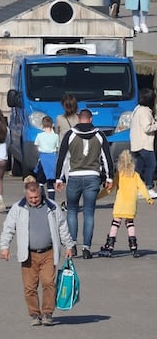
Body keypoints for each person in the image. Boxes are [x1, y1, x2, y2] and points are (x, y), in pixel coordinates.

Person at [0, 180, 74, 327]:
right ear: (26, 196)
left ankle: (47, 313)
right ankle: (34, 314)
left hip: (48, 252)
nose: (33, 200)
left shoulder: (52, 207)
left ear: (41, 194)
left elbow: (62, 227)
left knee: (48, 283)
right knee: (29, 287)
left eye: (36, 198)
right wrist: (4, 247)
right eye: (30, 198)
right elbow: (8, 228)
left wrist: (69, 245)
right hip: (28, 255)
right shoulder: (18, 208)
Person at [55, 109, 115, 259]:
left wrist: (59, 178)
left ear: (79, 119)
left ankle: (72, 245)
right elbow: (107, 158)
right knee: (89, 213)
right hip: (92, 177)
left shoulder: (70, 134)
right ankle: (87, 248)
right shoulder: (99, 135)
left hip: (74, 177)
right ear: (90, 119)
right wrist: (109, 178)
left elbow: (62, 157)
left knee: (72, 211)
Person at [98, 150, 154, 258]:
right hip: (131, 204)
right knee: (130, 223)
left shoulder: (119, 175)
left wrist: (98, 196)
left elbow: (109, 189)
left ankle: (110, 246)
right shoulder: (135, 175)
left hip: (120, 203)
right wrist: (148, 199)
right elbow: (142, 187)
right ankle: (133, 246)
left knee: (116, 223)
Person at [129, 88, 157, 198]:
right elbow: (147, 128)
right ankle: (148, 187)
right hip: (145, 143)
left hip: (136, 143)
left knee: (139, 167)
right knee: (151, 164)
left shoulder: (137, 109)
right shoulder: (145, 111)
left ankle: (136, 187)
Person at [34, 116, 60, 200]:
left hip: (43, 158)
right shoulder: (56, 136)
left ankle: (42, 197)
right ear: (52, 124)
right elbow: (57, 148)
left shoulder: (39, 135)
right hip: (52, 159)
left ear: (42, 125)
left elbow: (37, 147)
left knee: (40, 181)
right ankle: (52, 200)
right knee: (51, 182)